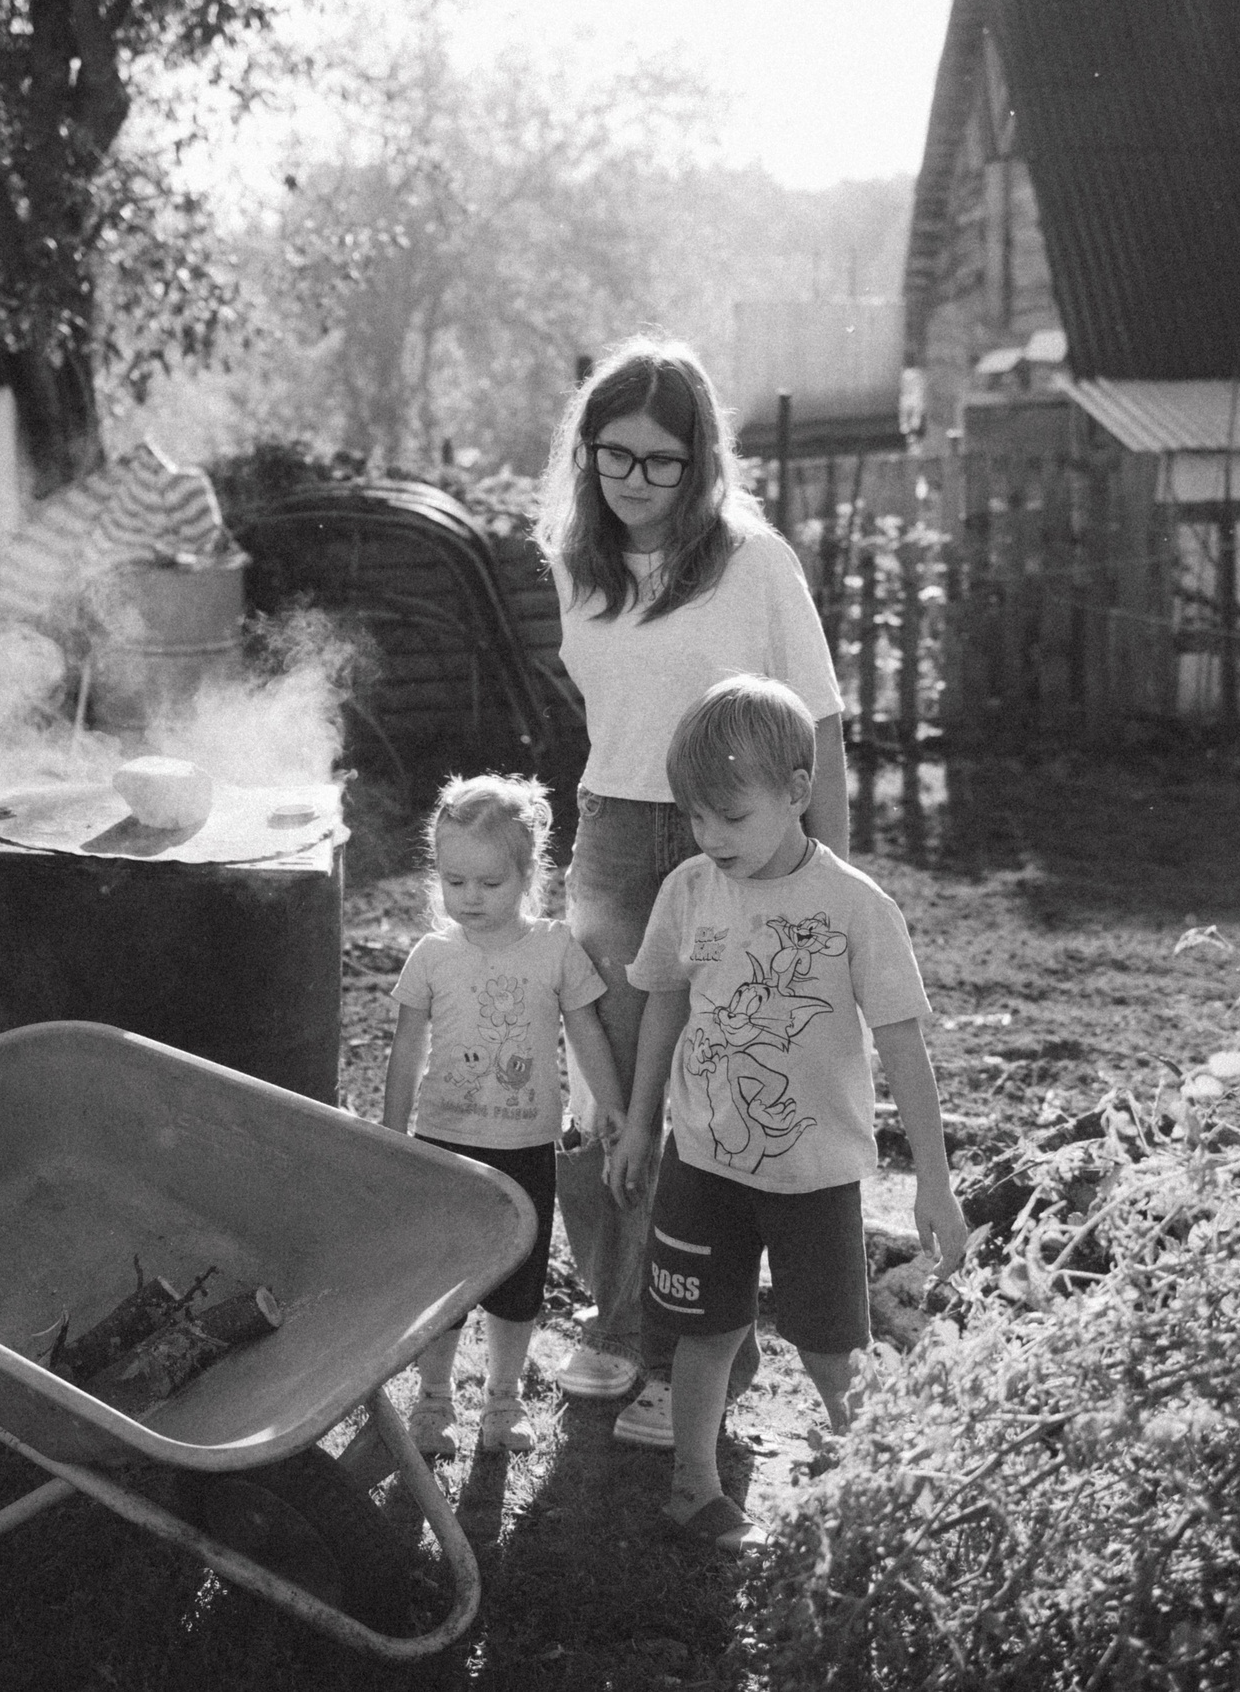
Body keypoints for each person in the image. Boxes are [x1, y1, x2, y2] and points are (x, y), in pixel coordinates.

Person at [535, 336, 851, 1450]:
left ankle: (695, 1355)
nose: (632, 479)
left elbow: (816, 724)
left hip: (733, 835)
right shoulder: (576, 560)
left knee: (716, 1100)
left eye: (660, 461)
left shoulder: (754, 561)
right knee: (608, 1101)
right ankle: (615, 1321)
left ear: (700, 462)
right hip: (616, 836)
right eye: (611, 454)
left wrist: (824, 885)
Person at [608, 675, 968, 1548]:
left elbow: (905, 1047)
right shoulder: (691, 889)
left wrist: (936, 1183)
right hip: (703, 1164)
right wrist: (639, 1120)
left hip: (814, 1179)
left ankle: (874, 1487)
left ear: (799, 792)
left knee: (831, 1350)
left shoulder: (855, 909)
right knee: (707, 1333)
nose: (711, 837)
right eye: (696, 817)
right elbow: (664, 1001)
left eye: (732, 816)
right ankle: (694, 1489)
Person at [381, 775, 627, 1458]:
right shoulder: (431, 956)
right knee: (445, 1282)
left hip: (523, 1144)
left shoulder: (552, 948)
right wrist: (391, 1133)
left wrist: (608, 1104)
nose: (470, 898)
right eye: (455, 881)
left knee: (517, 1284)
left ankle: (503, 1398)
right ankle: (434, 1400)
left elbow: (585, 1032)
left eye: (489, 883)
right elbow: (408, 1050)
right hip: (442, 1145)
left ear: (528, 873)